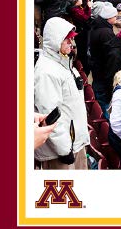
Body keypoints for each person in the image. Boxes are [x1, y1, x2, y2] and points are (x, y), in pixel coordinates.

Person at [33, 17, 88, 170]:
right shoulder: (46, 72)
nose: (71, 43)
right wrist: (64, 149)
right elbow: (50, 115)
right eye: (67, 39)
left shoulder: (64, 62)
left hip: (74, 143)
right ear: (55, 41)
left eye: (72, 39)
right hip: (61, 152)